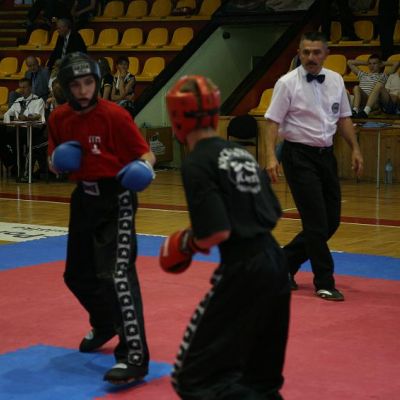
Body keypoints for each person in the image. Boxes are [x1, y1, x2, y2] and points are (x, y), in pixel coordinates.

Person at [160, 75, 291, 400]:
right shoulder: (239, 153)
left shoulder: (197, 162)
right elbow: (273, 211)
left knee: (192, 378)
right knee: (261, 379)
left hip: (244, 268)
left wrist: (185, 243)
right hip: (277, 262)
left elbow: (215, 231)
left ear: (177, 118)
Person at [47, 52, 156, 384]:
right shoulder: (59, 117)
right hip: (83, 198)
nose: (83, 91)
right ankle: (106, 322)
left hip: (116, 197)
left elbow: (146, 153)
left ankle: (134, 356)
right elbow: (53, 160)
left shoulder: (115, 115)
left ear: (96, 82)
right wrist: (58, 161)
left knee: (117, 274)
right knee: (77, 276)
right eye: (76, 85)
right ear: (66, 88)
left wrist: (144, 168)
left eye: (88, 83)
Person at [265, 31, 364, 301]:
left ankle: (284, 262)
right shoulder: (286, 83)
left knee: (331, 221)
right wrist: (271, 157)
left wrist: (355, 148)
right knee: (316, 222)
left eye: (316, 52)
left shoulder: (336, 80)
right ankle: (324, 281)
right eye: (306, 52)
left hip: (326, 155)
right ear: (299, 53)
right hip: (298, 156)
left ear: (326, 54)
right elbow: (272, 122)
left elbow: (344, 118)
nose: (310, 57)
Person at [1, 78, 47, 181]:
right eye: (20, 87)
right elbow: (7, 114)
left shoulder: (38, 100)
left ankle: (17, 166)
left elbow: (38, 116)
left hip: (33, 130)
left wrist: (27, 118)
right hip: (19, 130)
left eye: (24, 87)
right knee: (2, 133)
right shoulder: (18, 101)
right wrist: (11, 118)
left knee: (16, 138)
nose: (21, 90)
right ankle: (11, 161)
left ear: (30, 87)